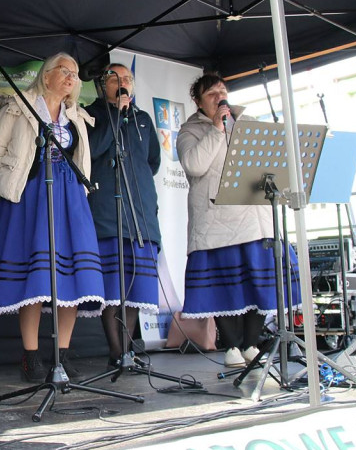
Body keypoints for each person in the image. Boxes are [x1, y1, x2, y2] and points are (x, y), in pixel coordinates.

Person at [0, 53, 105, 381]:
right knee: (34, 278)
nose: (71, 78)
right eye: (65, 71)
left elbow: (83, 160)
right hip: (32, 195)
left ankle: (62, 355)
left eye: (76, 74)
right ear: (46, 75)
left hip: (70, 198)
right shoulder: (18, 107)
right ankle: (31, 356)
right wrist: (15, 181)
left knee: (72, 278)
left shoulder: (76, 116)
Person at [175, 74, 300, 369]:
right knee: (224, 287)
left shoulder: (249, 122)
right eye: (211, 93)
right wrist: (217, 129)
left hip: (256, 217)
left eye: (223, 90)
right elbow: (194, 165)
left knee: (258, 284)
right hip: (216, 220)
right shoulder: (189, 131)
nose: (219, 96)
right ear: (198, 101)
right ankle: (231, 345)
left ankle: (251, 344)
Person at [86, 64, 161, 367]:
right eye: (115, 79)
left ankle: (128, 351)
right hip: (107, 212)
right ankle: (116, 352)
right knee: (113, 288)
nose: (122, 83)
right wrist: (115, 113)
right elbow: (91, 150)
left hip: (140, 215)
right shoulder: (90, 114)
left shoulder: (142, 118)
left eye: (127, 78)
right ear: (102, 85)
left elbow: (152, 161)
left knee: (134, 289)